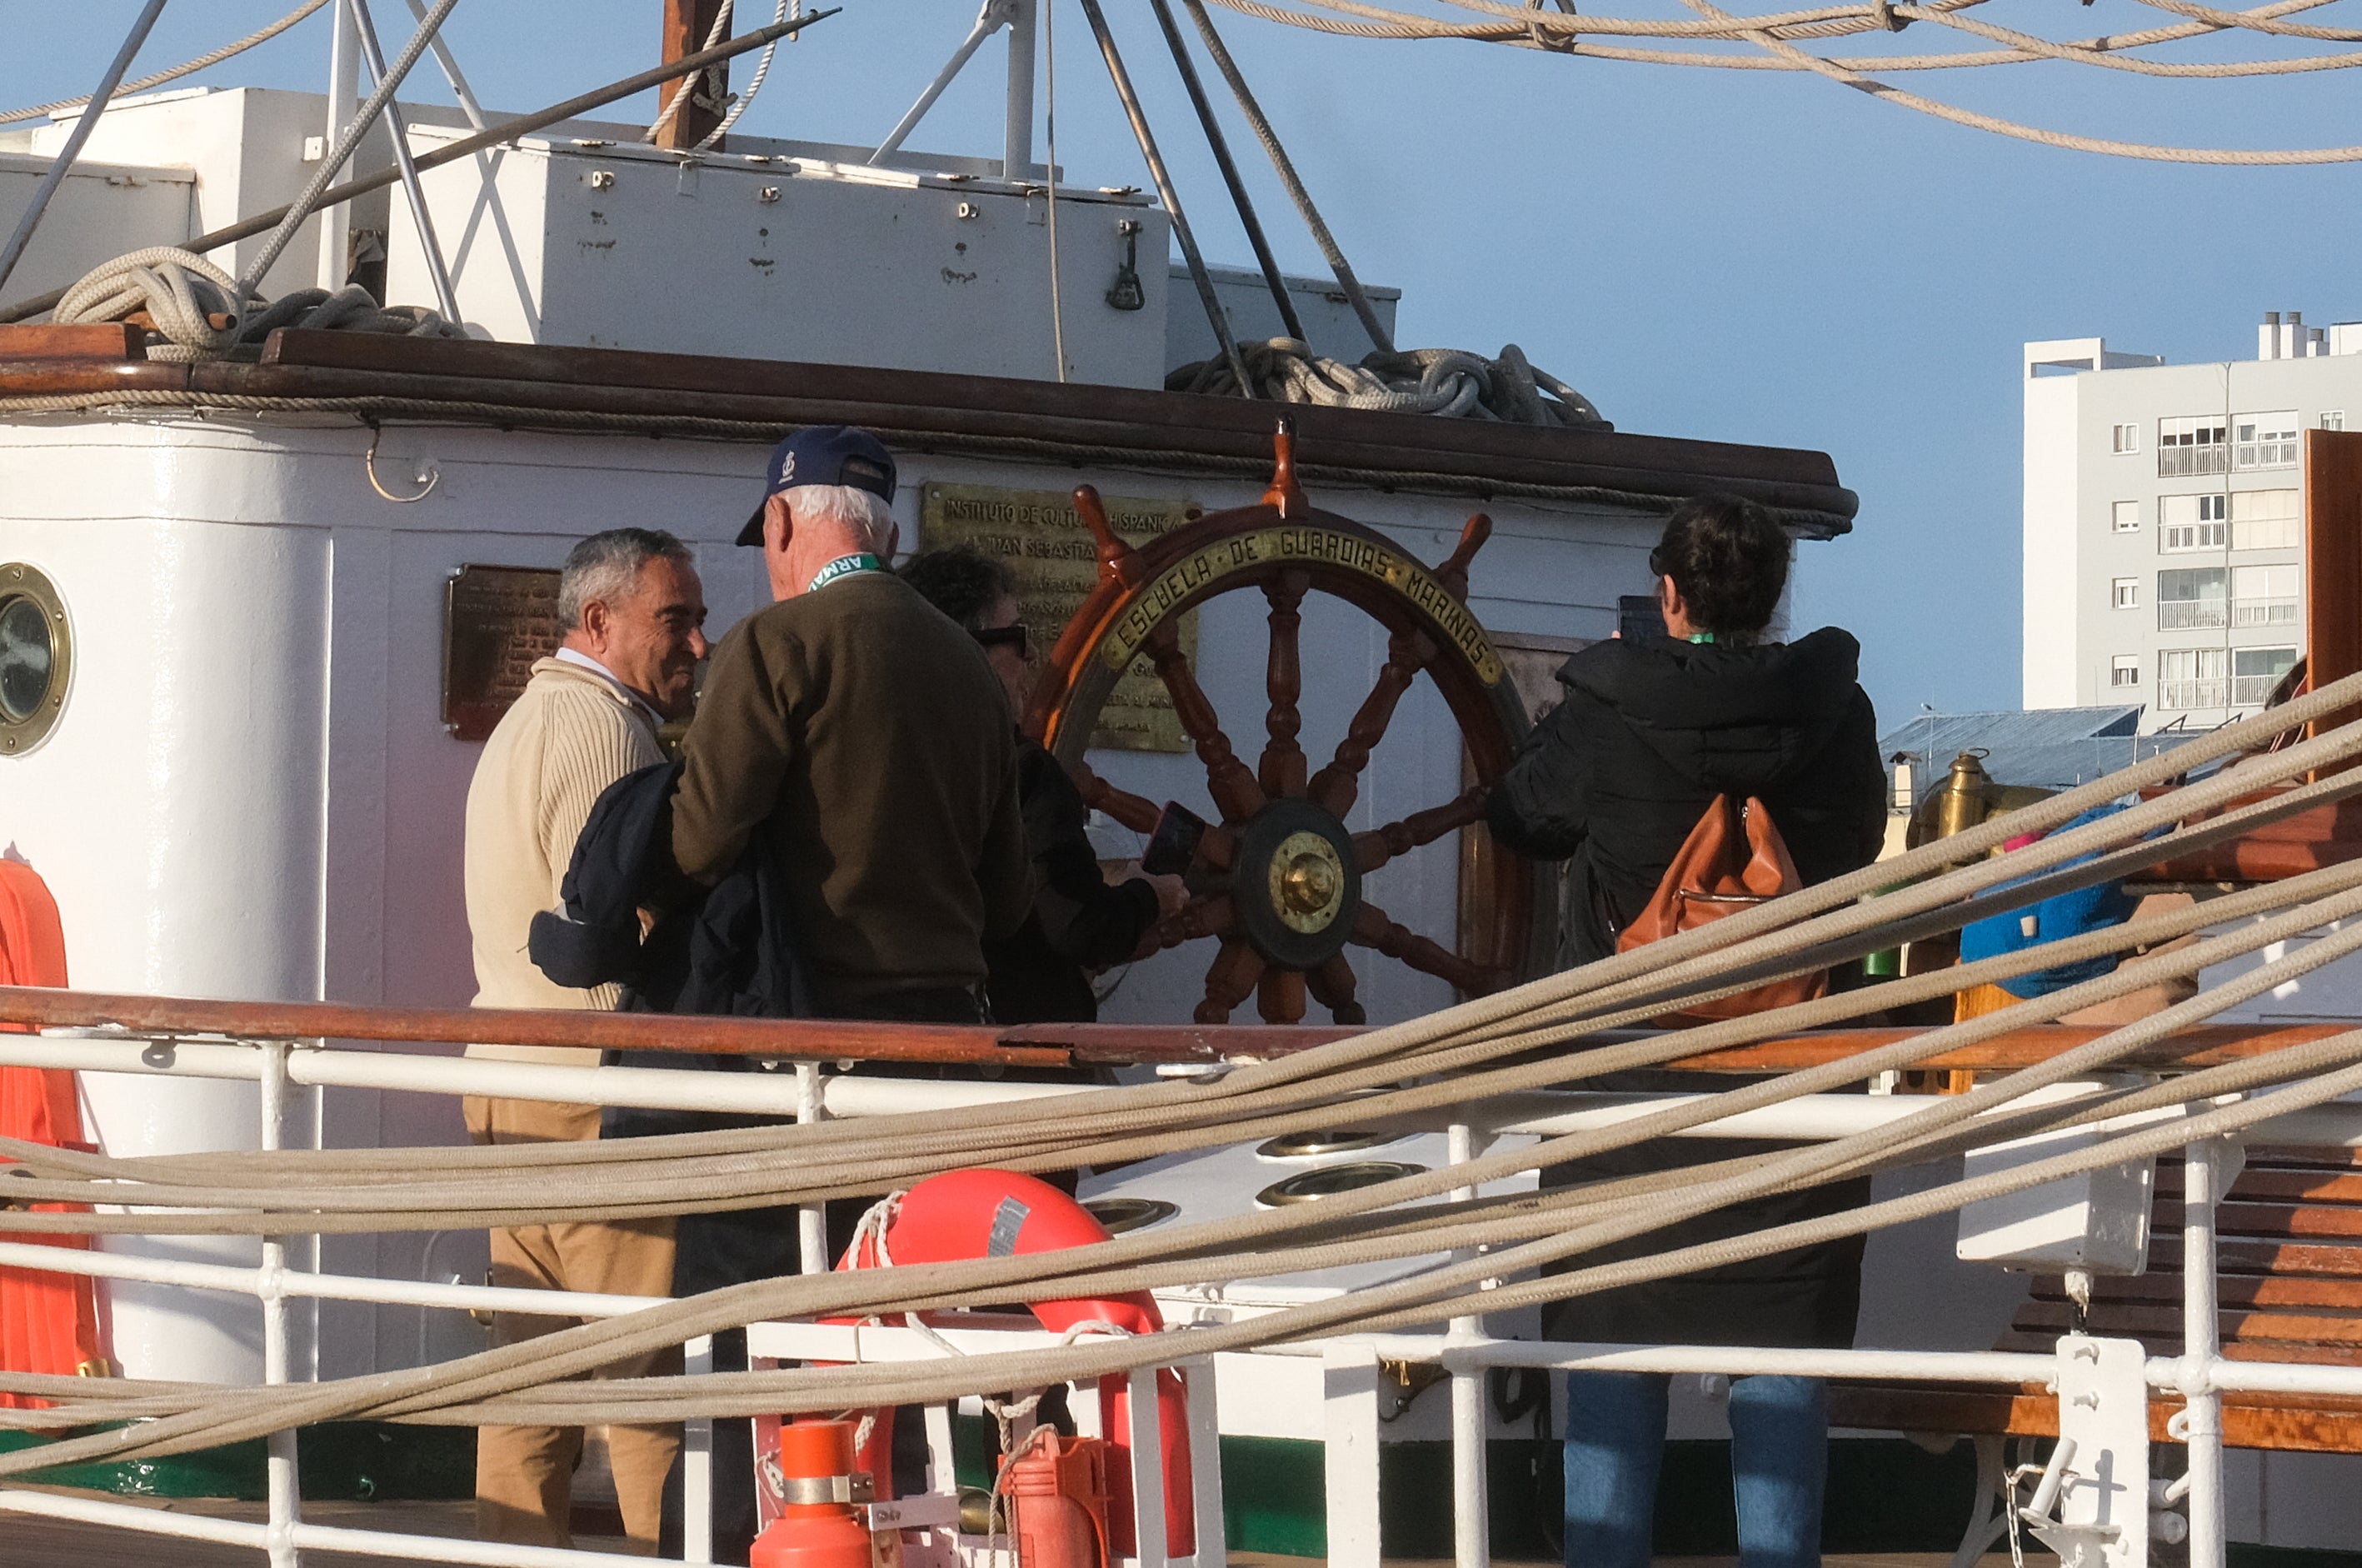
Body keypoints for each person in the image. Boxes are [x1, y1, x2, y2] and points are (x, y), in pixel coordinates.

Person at [1485, 493, 1885, 1568]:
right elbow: (1856, 854)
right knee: (1784, 1359)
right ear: (1772, 599)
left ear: (1668, 594)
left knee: (1616, 1350)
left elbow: (1520, 816)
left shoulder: (1607, 705)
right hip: (1790, 1098)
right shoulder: (1840, 715)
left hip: (1629, 1102)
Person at [659, 427, 1030, 1561]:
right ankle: (911, 1536)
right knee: (912, 1321)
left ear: (782, 524)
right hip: (943, 1051)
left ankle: (745, 1539)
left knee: (746, 1306)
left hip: (803, 1056)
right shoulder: (969, 666)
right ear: (891, 535)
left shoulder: (777, 646)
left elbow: (696, 842)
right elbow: (1008, 898)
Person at [460, 527, 710, 1555]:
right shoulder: (606, 735)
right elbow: (603, 939)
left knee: (531, 1383)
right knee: (647, 1380)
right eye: (676, 620)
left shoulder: (526, 720)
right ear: (598, 621)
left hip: (511, 1084)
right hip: (589, 1090)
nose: (697, 645)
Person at [896, 545, 1186, 1023]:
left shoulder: (891, 762)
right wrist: (1149, 896)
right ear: (967, 649)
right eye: (1017, 637)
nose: (1032, 654)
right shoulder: (1021, 771)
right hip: (1012, 1048)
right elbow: (1075, 926)